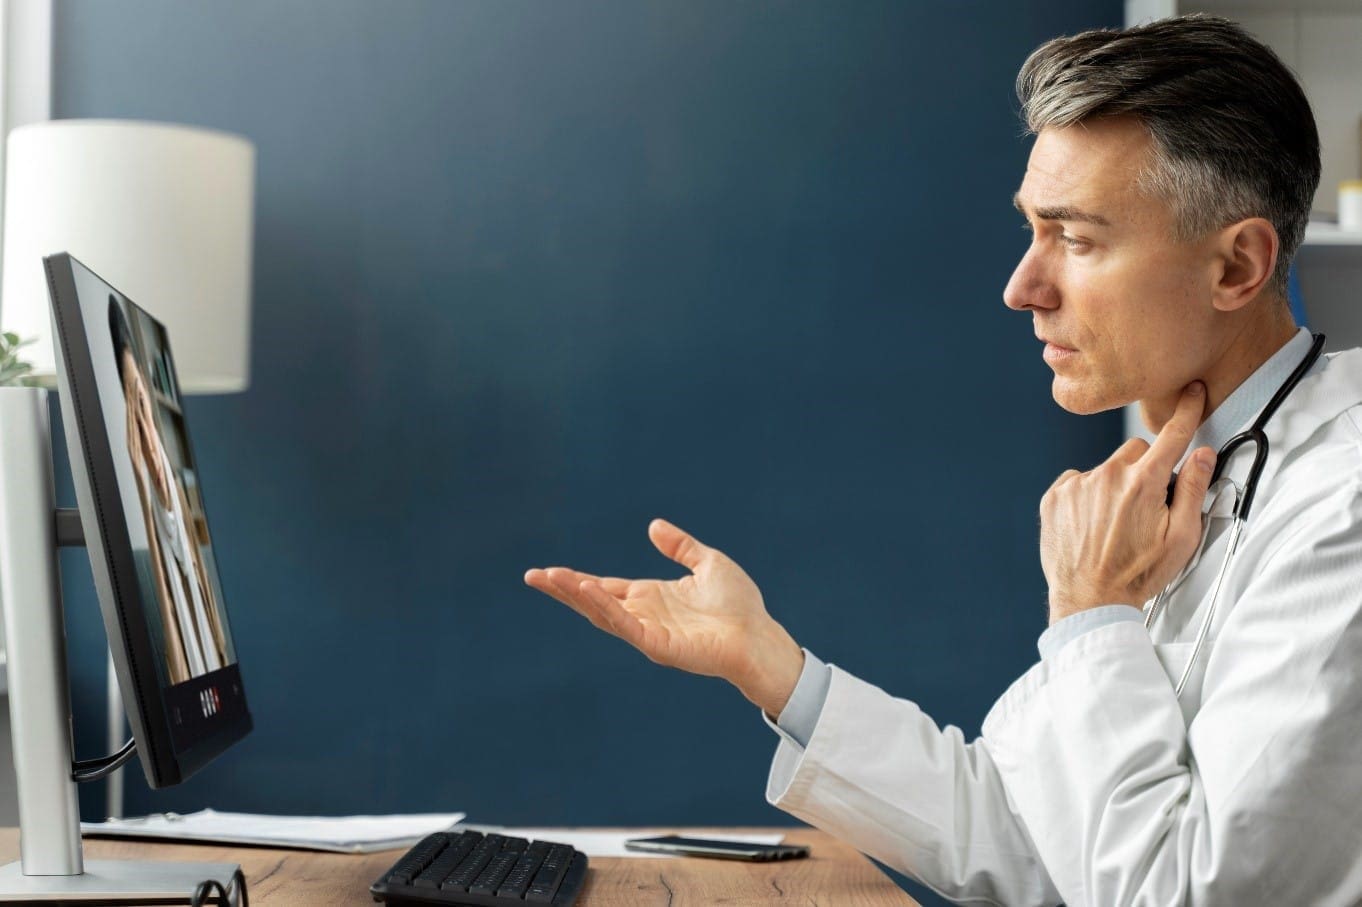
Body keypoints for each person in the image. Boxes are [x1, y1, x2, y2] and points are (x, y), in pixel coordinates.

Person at [526, 15, 1362, 906]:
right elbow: (1029, 829)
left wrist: (1091, 615)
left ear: (1237, 267)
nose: (1022, 287)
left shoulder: (1340, 511)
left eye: (1075, 239)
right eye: (1031, 230)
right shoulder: (1174, 472)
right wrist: (770, 665)